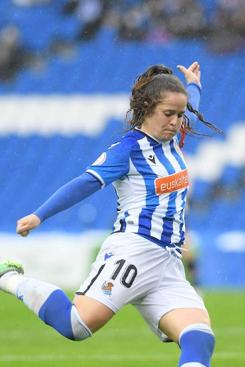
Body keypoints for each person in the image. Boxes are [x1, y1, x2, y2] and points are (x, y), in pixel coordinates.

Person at [0, 61, 218, 367]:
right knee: (75, 325)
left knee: (199, 336)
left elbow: (187, 105)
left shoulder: (174, 135)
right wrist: (40, 215)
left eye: (179, 115)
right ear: (147, 109)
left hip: (168, 262)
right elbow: (86, 182)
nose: (176, 121)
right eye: (169, 114)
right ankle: (8, 278)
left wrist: (194, 85)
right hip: (133, 252)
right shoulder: (127, 150)